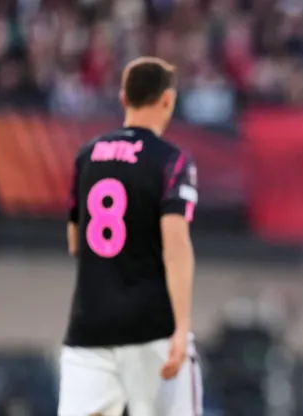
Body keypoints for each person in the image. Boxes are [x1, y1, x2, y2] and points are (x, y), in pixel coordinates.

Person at [60, 57, 202, 416]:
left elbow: (76, 243)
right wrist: (181, 326)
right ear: (167, 100)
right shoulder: (171, 161)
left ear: (123, 98)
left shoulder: (87, 155)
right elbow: (175, 246)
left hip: (88, 326)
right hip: (150, 324)